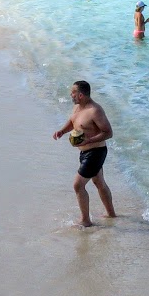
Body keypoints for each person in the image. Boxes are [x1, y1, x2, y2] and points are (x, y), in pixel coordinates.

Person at [51, 80, 116, 228]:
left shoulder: (95, 111)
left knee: (78, 185)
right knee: (99, 182)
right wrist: (62, 131)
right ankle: (111, 214)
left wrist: (88, 140)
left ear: (80, 95)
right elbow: (73, 121)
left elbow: (108, 132)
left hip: (96, 152)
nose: (70, 95)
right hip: (85, 153)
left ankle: (85, 221)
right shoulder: (77, 108)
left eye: (73, 92)